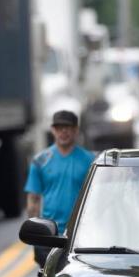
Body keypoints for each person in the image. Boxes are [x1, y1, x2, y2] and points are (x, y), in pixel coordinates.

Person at [24, 110, 95, 265]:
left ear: (76, 130)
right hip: (51, 234)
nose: (63, 131)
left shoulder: (91, 161)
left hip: (81, 234)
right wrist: (35, 232)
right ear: (53, 130)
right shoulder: (40, 160)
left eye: (67, 127)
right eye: (59, 127)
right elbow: (33, 199)